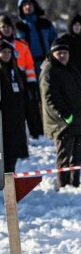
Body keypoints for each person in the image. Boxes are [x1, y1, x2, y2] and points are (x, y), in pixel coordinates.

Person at [39, 41, 81, 189]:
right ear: (53, 54)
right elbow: (50, 99)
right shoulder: (49, 71)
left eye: (65, 53)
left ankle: (75, 183)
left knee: (77, 156)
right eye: (59, 53)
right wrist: (66, 116)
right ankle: (64, 185)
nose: (62, 56)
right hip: (63, 124)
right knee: (64, 157)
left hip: (79, 121)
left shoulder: (71, 69)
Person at [0, 16, 39, 139]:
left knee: (26, 107)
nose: (6, 29)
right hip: (4, 78)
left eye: (9, 27)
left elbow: (29, 65)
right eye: (3, 27)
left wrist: (31, 82)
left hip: (21, 79)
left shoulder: (21, 44)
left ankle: (32, 133)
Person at [0, 41, 30, 174]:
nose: (7, 54)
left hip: (16, 119)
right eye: (3, 52)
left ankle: (9, 177)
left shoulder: (16, 71)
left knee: (13, 154)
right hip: (3, 120)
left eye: (9, 52)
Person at [15, 0, 56, 77]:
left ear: (34, 6)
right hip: (26, 67)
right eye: (24, 5)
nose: (27, 7)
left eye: (30, 4)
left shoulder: (46, 24)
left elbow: (55, 43)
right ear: (21, 8)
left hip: (46, 64)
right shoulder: (18, 27)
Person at [54, 14, 81, 88]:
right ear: (70, 26)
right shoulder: (64, 40)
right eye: (75, 25)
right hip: (67, 80)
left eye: (79, 25)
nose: (77, 27)